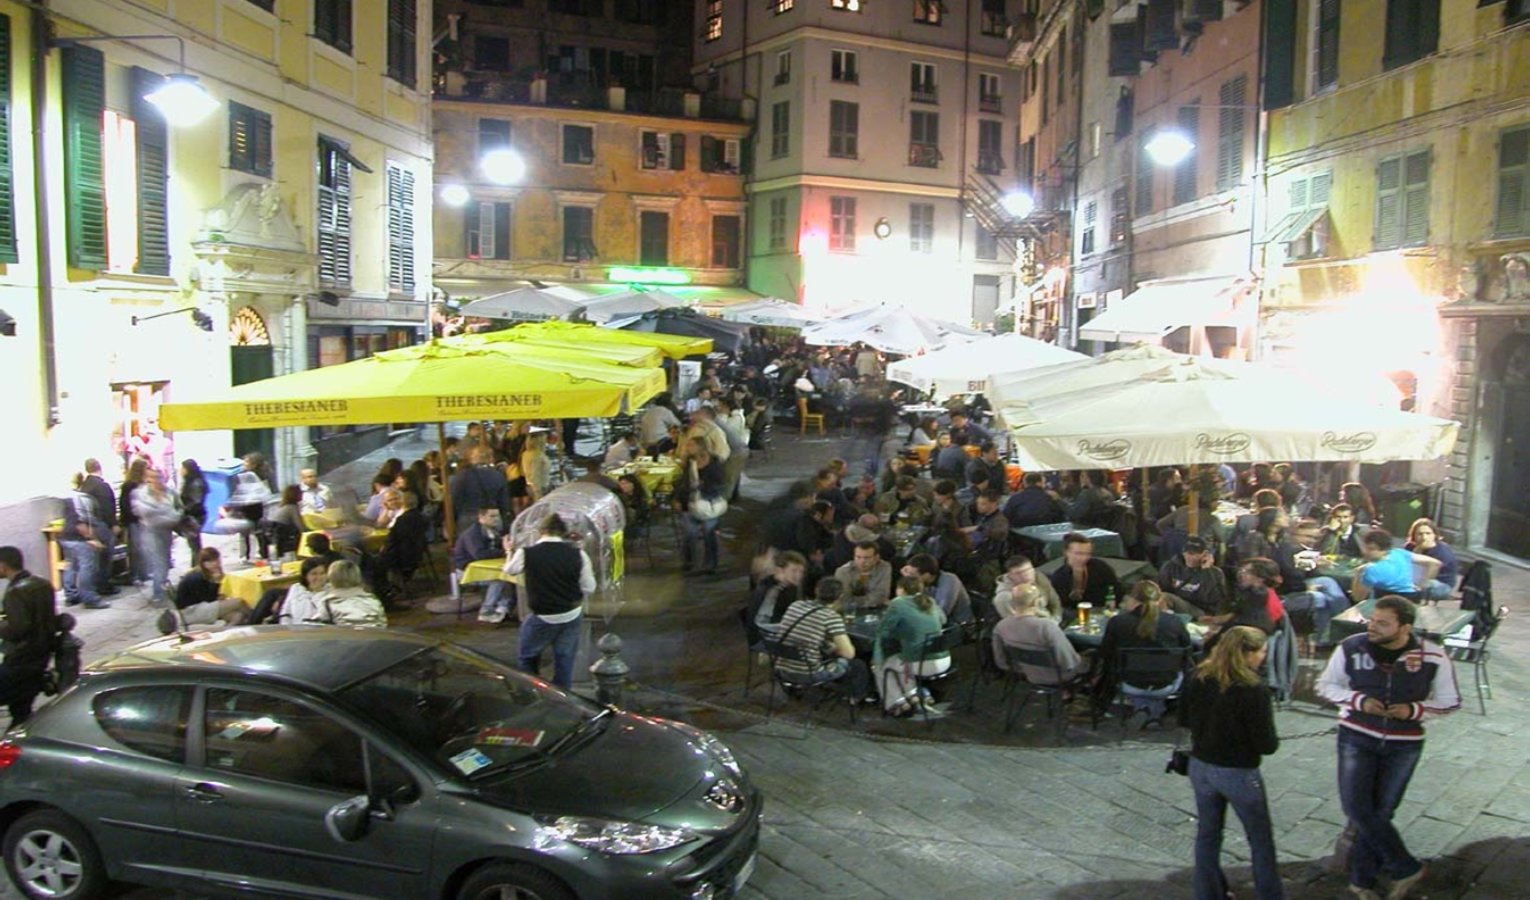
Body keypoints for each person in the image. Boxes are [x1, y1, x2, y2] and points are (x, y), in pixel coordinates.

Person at [1317, 596, 1459, 900]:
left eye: (1383, 623)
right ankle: (1405, 866)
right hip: (1356, 736)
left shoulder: (1433, 656)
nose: (1373, 626)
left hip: (1404, 745)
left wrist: (1413, 711)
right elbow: (1325, 685)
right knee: (1356, 807)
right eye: (1372, 620)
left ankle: (1361, 881)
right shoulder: (1351, 647)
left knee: (1381, 813)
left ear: (1405, 627)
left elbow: (1450, 701)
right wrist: (1359, 701)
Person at [1182, 626, 1284, 900]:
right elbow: (1267, 745)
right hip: (1237, 771)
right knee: (1260, 840)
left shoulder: (1199, 676)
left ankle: (1208, 893)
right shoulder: (1253, 690)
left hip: (1201, 766)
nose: (1263, 657)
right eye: (1262, 652)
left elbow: (1183, 718)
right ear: (1248, 654)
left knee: (1208, 835)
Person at [505, 514, 596, 689]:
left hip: (542, 615)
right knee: (564, 658)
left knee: (527, 656)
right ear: (564, 533)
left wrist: (509, 551)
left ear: (541, 532)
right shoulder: (579, 554)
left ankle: (531, 692)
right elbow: (589, 587)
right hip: (571, 613)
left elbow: (510, 570)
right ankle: (563, 697)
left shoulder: (526, 553)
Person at [1097, 582, 1192, 723]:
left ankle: (1144, 710)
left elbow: (1106, 653)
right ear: (1160, 600)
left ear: (1132, 599)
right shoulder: (1175, 622)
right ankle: (1152, 711)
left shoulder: (1118, 622)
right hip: (1166, 684)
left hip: (1129, 682)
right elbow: (1186, 651)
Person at [774, 577, 870, 701]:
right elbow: (849, 653)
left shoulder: (795, 606)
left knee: (825, 652)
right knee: (858, 665)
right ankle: (855, 699)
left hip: (781, 670)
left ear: (816, 591)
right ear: (840, 596)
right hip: (809, 674)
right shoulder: (830, 616)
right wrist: (836, 649)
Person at [874, 576, 950, 716]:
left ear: (900, 589)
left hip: (922, 663)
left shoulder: (898, 603)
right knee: (901, 659)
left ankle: (897, 702)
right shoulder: (930, 601)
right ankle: (913, 695)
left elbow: (883, 632)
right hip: (944, 658)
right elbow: (943, 620)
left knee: (881, 666)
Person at [0, 547, 59, 724]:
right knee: (21, 712)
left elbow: (18, 628)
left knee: (18, 707)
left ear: (3, 566)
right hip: (40, 658)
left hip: (21, 660)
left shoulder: (15, 592)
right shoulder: (42, 584)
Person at [991, 584, 1089, 685]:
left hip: (1030, 676)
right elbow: (1069, 662)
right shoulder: (1046, 626)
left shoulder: (1001, 626)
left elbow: (1001, 661)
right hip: (1063, 676)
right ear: (1037, 602)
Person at [159, 548, 250, 634]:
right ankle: (256, 618)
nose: (217, 564)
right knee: (239, 602)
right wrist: (216, 583)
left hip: (200, 607)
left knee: (238, 615)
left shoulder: (203, 573)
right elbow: (209, 599)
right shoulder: (197, 577)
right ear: (204, 563)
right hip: (191, 611)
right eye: (213, 561)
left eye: (217, 560)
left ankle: (225, 632)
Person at [131, 468, 183, 607]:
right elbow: (146, 513)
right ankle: (158, 595)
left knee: (165, 562)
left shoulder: (170, 492)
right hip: (150, 533)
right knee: (159, 563)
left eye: (158, 477)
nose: (154, 480)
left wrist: (169, 516)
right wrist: (167, 514)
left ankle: (162, 589)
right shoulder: (140, 493)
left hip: (167, 532)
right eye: (151, 477)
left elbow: (179, 510)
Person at [59, 474, 111, 610]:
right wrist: (92, 539)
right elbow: (82, 522)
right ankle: (89, 598)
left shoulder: (67, 498)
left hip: (65, 537)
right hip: (78, 539)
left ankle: (71, 596)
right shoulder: (83, 499)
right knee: (86, 567)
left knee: (71, 565)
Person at [674, 442, 727, 575]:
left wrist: (701, 487)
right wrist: (678, 499)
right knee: (689, 533)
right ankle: (689, 562)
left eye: (691, 445)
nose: (687, 447)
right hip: (689, 503)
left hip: (709, 504)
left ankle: (710, 564)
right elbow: (683, 482)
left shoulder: (715, 464)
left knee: (710, 533)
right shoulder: (690, 463)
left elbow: (720, 485)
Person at [452, 508, 512, 624]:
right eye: (492, 516)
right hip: (466, 572)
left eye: (497, 516)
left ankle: (503, 607)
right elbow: (479, 554)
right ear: (481, 518)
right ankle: (487, 610)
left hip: (485, 569)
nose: (496, 519)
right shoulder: (472, 534)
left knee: (509, 576)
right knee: (499, 579)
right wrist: (504, 551)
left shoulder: (494, 531)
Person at [1049, 533, 1121, 621]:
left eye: (1087, 554)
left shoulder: (1101, 567)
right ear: (1066, 552)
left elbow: (1117, 590)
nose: (1084, 558)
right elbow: (1058, 606)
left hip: (1102, 612)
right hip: (1074, 617)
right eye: (1078, 553)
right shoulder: (1059, 577)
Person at [1354, 530, 1440, 603]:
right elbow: (1434, 563)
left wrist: (1358, 574)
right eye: (1366, 548)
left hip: (1387, 602)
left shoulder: (1372, 570)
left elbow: (1357, 598)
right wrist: (1423, 584)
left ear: (1384, 550)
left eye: (1371, 549)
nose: (1365, 552)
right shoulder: (1399, 552)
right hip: (1413, 598)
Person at [1156, 536, 1231, 617]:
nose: (1189, 557)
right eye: (1187, 553)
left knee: (1166, 597)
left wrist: (1206, 571)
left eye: (1194, 554)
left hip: (1202, 610)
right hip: (1175, 605)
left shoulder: (1216, 573)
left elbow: (1213, 599)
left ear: (1205, 554)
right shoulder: (1170, 567)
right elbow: (1161, 588)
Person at [79, 459, 119, 595]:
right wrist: (113, 523)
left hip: (89, 524)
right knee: (105, 557)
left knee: (94, 559)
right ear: (99, 467)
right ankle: (104, 585)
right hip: (102, 525)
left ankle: (95, 585)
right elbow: (108, 507)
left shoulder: (84, 486)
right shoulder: (102, 486)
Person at [449, 446, 511, 533]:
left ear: (472, 458)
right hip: (492, 515)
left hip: (468, 516)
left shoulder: (461, 476)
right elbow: (504, 501)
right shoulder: (498, 475)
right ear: (490, 458)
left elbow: (455, 498)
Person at [310, 560, 388, 628]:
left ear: (332, 577)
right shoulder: (373, 600)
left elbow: (316, 627)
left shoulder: (328, 602)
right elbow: (383, 624)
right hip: (375, 641)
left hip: (345, 642)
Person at [902, 553, 972, 623]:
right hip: (933, 620)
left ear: (926, 575)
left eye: (912, 575)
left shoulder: (950, 581)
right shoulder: (924, 582)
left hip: (956, 624)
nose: (910, 578)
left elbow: (942, 614)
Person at [751, 551, 807, 635]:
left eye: (801, 571)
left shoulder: (792, 586)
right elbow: (763, 624)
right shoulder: (770, 591)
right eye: (794, 571)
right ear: (780, 570)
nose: (798, 575)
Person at [1404, 519, 1458, 603]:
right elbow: (1404, 566)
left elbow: (1428, 574)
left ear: (1434, 535)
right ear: (1414, 535)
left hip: (1441, 585)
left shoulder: (1441, 551)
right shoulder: (1409, 547)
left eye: (1428, 534)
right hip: (1416, 580)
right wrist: (1417, 550)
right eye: (1420, 534)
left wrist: (1419, 552)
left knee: (1423, 586)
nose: (1424, 537)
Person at [993, 556, 1062, 620]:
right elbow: (1019, 624)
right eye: (1019, 573)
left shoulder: (1038, 576)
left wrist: (1056, 618)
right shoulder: (1004, 597)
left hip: (1051, 619)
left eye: (1028, 570)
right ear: (1010, 575)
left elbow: (1054, 600)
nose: (1026, 575)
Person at [272, 557, 331, 625]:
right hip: (295, 630)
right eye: (314, 574)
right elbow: (285, 613)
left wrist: (318, 590)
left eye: (322, 573)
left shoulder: (331, 590)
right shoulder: (296, 588)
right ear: (305, 575)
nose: (319, 577)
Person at [834, 541, 893, 609]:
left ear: (876, 558)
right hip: (849, 610)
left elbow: (881, 595)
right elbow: (844, 599)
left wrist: (855, 601)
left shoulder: (884, 567)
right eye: (858, 557)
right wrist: (871, 600)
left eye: (867, 558)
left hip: (877, 609)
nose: (862, 561)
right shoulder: (843, 571)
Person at [178, 459, 208, 559]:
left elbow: (196, 502)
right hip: (194, 515)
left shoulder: (195, 483)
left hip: (195, 516)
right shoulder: (189, 481)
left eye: (182, 468)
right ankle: (196, 567)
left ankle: (198, 567)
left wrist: (184, 511)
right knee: (194, 545)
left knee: (195, 545)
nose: (180, 470)